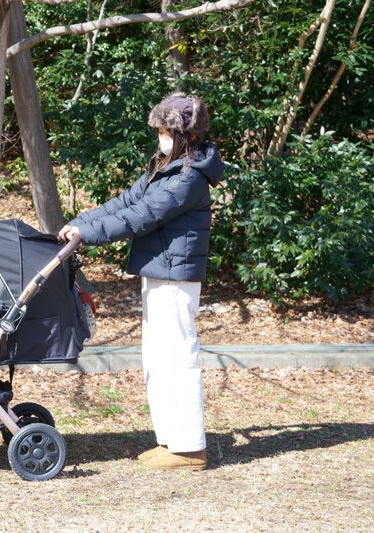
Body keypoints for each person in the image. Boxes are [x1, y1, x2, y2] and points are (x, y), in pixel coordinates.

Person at [58, 92, 224, 470]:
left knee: (178, 358)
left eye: (166, 131)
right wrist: (81, 223)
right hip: (160, 272)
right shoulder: (166, 166)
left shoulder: (188, 178)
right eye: (159, 131)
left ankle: (189, 448)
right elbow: (125, 202)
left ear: (187, 136)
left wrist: (87, 234)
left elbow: (142, 216)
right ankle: (170, 441)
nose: (160, 137)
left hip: (175, 278)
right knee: (158, 358)